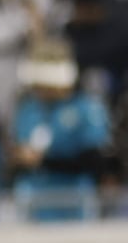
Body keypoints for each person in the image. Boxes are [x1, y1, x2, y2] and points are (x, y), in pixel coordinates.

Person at [10, 36, 111, 220]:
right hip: (34, 203)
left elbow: (94, 161)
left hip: (73, 203)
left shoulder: (87, 108)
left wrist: (45, 160)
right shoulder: (28, 109)